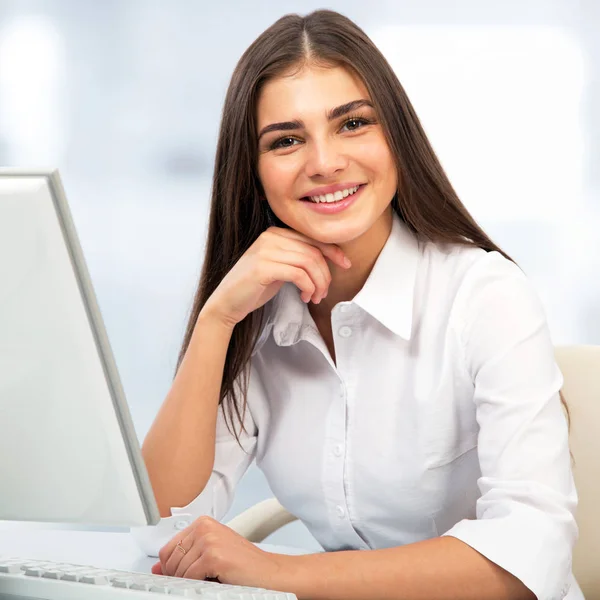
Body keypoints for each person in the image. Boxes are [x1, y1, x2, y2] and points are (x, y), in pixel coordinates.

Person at [137, 9, 580, 600]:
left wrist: (278, 572)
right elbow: (157, 526)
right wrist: (217, 320)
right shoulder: (258, 319)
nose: (323, 162)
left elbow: (531, 556)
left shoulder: (485, 296)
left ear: (395, 135)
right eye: (287, 140)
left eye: (352, 124)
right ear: (254, 171)